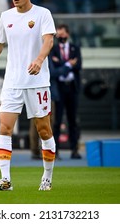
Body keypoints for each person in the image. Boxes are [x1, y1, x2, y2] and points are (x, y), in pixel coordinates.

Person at [0, 0, 56, 191]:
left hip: (37, 82)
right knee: (4, 128)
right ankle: (5, 180)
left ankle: (47, 177)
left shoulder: (42, 14)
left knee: (44, 131)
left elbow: (49, 40)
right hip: (12, 83)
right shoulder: (6, 16)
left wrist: (39, 60)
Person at [49, 24, 82, 159]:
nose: (60, 37)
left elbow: (78, 65)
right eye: (58, 35)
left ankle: (74, 149)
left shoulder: (75, 48)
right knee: (57, 121)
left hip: (72, 88)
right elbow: (54, 70)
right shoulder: (53, 49)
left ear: (67, 34)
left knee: (72, 120)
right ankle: (55, 151)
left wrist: (61, 63)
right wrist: (68, 64)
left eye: (62, 35)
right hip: (59, 88)